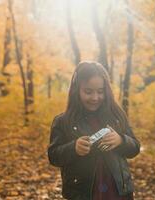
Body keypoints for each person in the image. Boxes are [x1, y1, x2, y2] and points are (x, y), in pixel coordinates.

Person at [48, 61, 140, 200]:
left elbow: (135, 148)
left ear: (106, 91)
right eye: (88, 92)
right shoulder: (63, 121)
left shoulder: (116, 115)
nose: (95, 97)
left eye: (100, 91)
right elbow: (53, 156)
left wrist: (121, 140)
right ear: (76, 90)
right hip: (82, 193)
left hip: (117, 192)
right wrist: (73, 148)